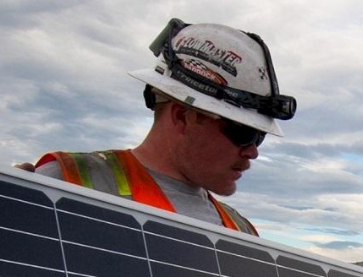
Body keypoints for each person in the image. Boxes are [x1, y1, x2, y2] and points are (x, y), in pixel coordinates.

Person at [21, 19, 295, 234]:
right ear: (182, 116)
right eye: (243, 133)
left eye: (259, 137)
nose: (252, 152)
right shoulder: (66, 183)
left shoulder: (241, 232)